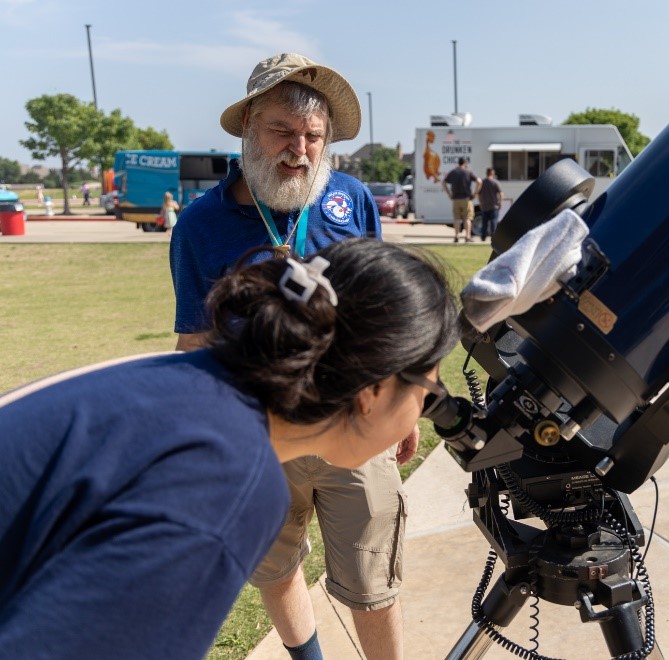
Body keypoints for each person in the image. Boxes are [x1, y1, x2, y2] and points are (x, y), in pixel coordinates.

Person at [0, 239, 459, 659]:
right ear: (372, 391)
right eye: (429, 391)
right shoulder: (227, 480)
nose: (427, 409)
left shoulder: (196, 383)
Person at [170, 52, 407, 660]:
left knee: (372, 578)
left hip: (351, 419)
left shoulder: (351, 199)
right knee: (272, 564)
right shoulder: (198, 226)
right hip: (258, 435)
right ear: (249, 125)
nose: (299, 150)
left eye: (313, 136)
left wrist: (402, 395)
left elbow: (381, 307)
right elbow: (196, 339)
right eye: (282, 130)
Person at [442, 157, 481, 243]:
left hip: (456, 199)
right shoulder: (468, 172)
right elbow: (479, 181)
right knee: (467, 218)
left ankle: (456, 236)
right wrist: (475, 193)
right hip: (466, 199)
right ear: (465, 163)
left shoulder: (453, 172)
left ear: (458, 163)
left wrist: (449, 194)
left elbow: (443, 182)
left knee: (457, 219)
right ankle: (467, 237)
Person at [477, 167, 503, 242]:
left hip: (484, 206)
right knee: (493, 222)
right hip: (494, 206)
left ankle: (483, 237)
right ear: (493, 173)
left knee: (484, 223)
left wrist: (481, 202)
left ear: (486, 173)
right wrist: (500, 203)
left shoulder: (482, 182)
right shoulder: (495, 182)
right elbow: (501, 194)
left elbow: (478, 194)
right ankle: (493, 237)